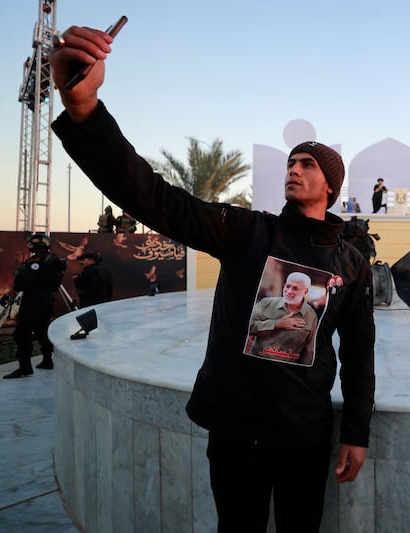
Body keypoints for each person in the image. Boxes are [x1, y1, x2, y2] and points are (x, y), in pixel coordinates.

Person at [50, 26, 374, 532]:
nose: (294, 168)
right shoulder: (246, 232)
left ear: (329, 185)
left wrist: (356, 431)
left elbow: (358, 354)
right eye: (290, 162)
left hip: (305, 435)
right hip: (236, 429)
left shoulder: (351, 265)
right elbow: (153, 197)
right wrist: (85, 109)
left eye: (308, 164)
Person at [1, 233, 66, 378]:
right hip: (47, 299)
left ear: (36, 245)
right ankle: (47, 360)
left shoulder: (34, 261)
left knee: (21, 333)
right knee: (42, 330)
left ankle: (24, 367)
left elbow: (22, 283)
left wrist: (8, 296)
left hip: (32, 300)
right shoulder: (54, 259)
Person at [247, 271, 318, 365]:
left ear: (305, 291)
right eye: (287, 286)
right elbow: (249, 327)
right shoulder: (266, 303)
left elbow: (309, 351)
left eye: (295, 288)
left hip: (286, 373)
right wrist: (276, 324)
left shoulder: (311, 316)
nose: (289, 291)